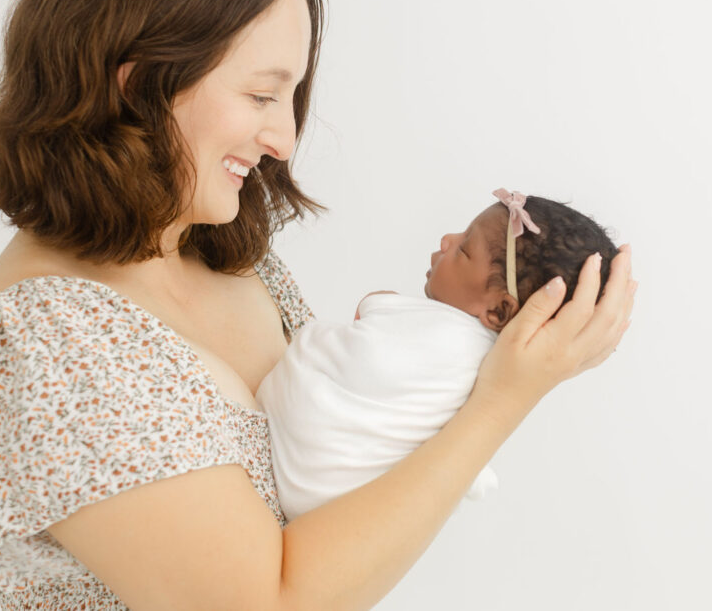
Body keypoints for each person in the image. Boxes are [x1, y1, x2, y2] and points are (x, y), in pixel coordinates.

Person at [0, 0, 636, 609]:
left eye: (291, 99)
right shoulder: (51, 337)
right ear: (140, 81)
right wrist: (503, 399)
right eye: (261, 96)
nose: (285, 139)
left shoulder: (223, 251)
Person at [259, 189, 619, 519]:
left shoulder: (433, 328)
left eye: (464, 249)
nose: (447, 240)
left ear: (498, 312)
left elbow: (368, 318)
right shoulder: (495, 373)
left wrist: (380, 299)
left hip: (285, 456)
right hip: (332, 506)